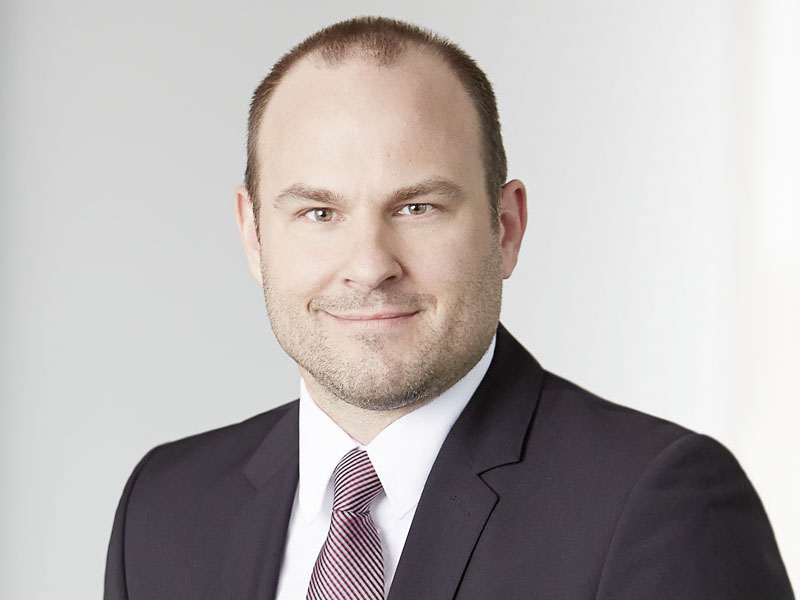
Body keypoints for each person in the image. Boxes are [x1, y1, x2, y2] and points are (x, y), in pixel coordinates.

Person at [104, 16, 793, 600]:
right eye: (319, 212)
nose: (370, 265)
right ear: (254, 236)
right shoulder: (163, 511)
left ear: (506, 227)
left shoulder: (658, 507)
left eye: (417, 207)